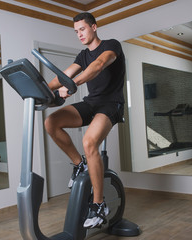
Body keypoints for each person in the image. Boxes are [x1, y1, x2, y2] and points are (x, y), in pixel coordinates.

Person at [44, 12, 125, 228]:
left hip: (111, 104)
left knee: (89, 142)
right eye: (76, 31)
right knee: (51, 123)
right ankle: (80, 165)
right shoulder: (81, 55)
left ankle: (99, 205)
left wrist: (73, 84)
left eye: (83, 29)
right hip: (92, 103)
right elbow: (63, 76)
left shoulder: (111, 45)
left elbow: (98, 65)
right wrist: (40, 88)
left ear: (94, 27)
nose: (79, 34)